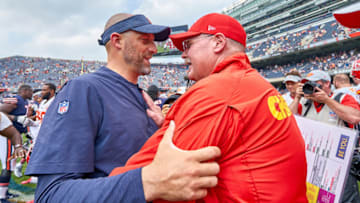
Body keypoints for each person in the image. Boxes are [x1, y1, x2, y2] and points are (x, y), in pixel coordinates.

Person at [110, 13, 308, 202]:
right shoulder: (255, 84)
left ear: (218, 43)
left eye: (188, 45)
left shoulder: (219, 90)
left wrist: (94, 191)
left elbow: (151, 179)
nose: (183, 55)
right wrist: (177, 125)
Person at [25, 13, 220, 202]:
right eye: (145, 40)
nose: (154, 48)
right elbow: (51, 194)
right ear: (117, 41)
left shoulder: (141, 96)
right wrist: (146, 183)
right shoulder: (84, 89)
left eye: (154, 42)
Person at [289, 70, 360, 202]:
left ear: (327, 84)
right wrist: (297, 98)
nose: (310, 87)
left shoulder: (341, 98)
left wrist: (326, 100)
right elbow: (288, 121)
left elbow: (355, 117)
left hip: (341, 163)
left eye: (315, 83)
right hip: (315, 163)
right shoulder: (304, 104)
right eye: (306, 84)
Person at [21, 83, 57, 185]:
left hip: (49, 134)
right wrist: (31, 122)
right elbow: (40, 120)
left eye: (45, 90)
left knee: (41, 157)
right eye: (42, 89)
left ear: (52, 91)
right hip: (40, 133)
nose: (42, 92)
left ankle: (44, 181)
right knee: (32, 155)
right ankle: (35, 179)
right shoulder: (43, 103)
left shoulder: (55, 102)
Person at [0, 112, 26, 203]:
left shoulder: (2, 117)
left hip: (7, 135)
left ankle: (3, 194)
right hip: (5, 138)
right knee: (7, 166)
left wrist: (18, 146)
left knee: (9, 166)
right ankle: (1, 196)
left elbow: (14, 133)